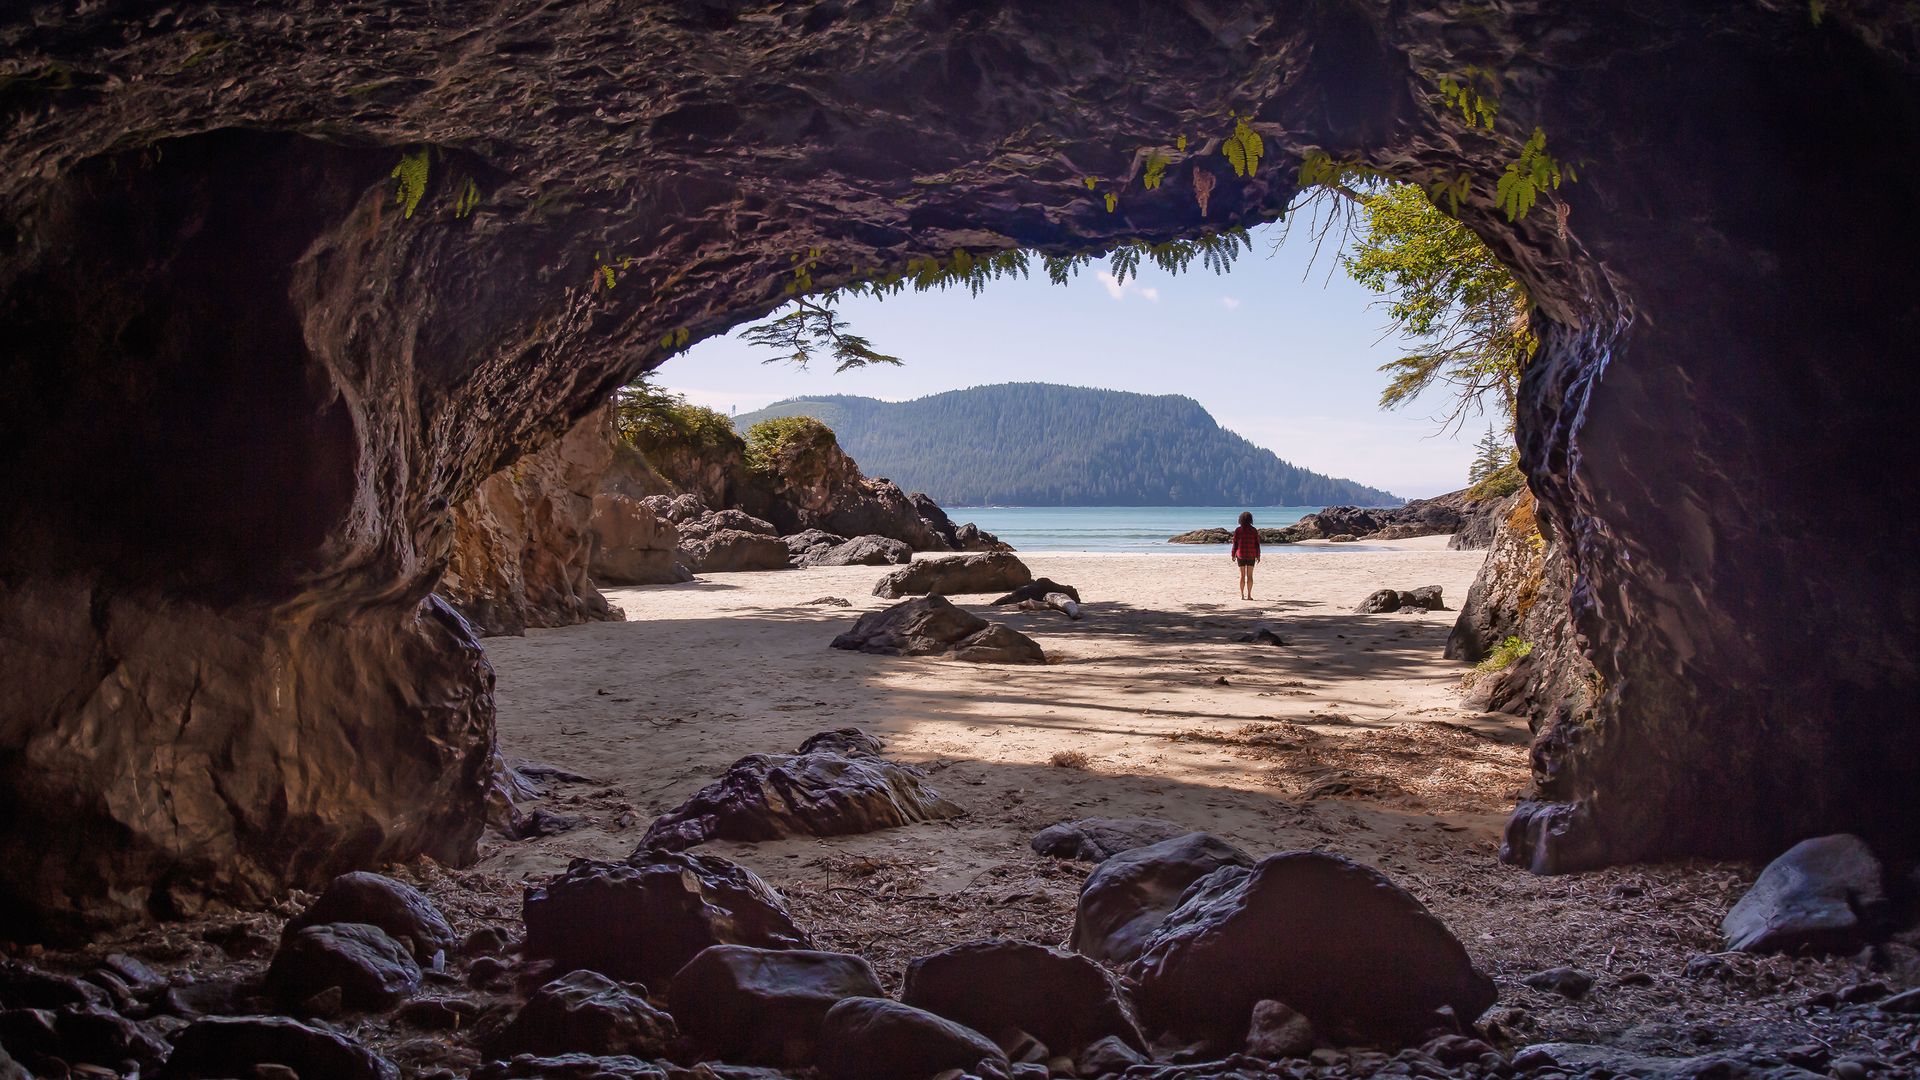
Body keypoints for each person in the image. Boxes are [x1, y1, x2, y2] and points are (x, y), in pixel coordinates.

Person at [1230, 510, 1261, 600]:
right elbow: (1257, 544)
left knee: (1242, 576)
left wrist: (1233, 554)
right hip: (1251, 554)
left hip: (1240, 555)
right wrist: (1258, 555)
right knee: (1250, 576)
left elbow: (1235, 544)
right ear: (1250, 519)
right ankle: (1249, 595)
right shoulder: (1254, 530)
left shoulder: (1238, 530)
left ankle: (1242, 595)